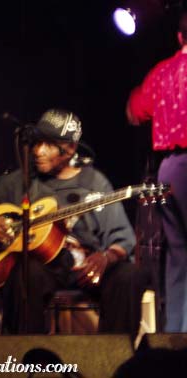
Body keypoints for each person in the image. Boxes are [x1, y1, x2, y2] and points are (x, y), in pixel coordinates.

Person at [0, 108, 149, 338]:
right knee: (25, 274)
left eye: (48, 144)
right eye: (36, 143)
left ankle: (113, 359)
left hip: (88, 267)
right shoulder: (20, 181)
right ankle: (29, 360)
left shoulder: (94, 181)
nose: (38, 151)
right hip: (45, 267)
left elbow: (121, 237)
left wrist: (106, 257)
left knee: (129, 276)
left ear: (70, 149)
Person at [126, 12, 187, 332]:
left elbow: (135, 109)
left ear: (179, 38)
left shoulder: (162, 72)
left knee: (178, 257)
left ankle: (177, 339)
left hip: (168, 170)